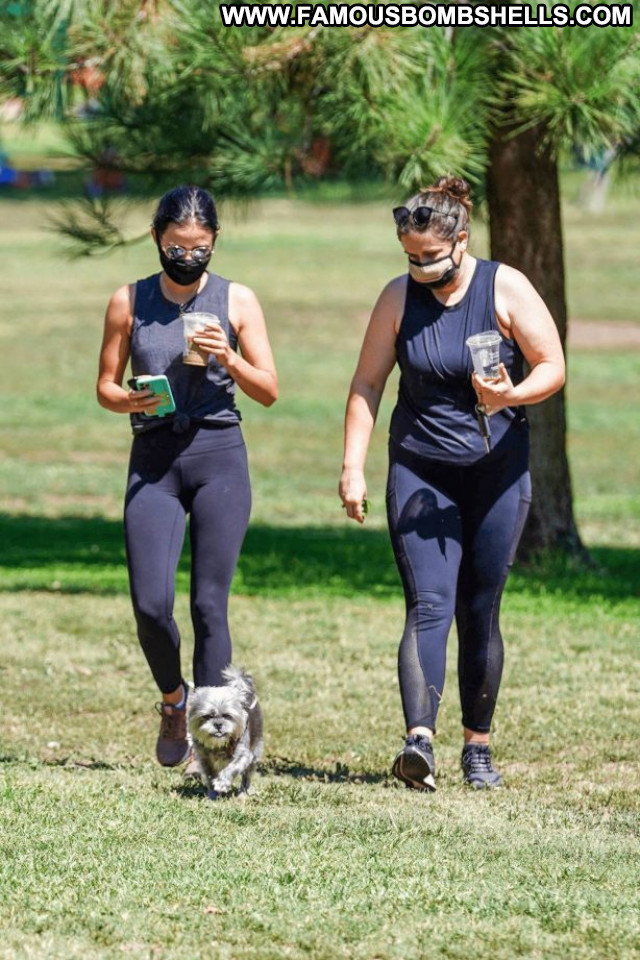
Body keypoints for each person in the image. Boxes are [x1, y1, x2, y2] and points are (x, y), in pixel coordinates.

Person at [339, 176, 565, 791]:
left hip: (496, 473)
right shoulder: (397, 298)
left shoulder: (505, 286)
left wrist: (511, 394)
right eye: (409, 258)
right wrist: (353, 466)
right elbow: (367, 385)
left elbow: (553, 366)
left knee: (480, 607)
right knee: (430, 602)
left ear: (461, 242)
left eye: (430, 258)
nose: (418, 268)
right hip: (420, 468)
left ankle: (478, 747)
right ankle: (419, 742)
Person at [97, 185, 277, 767]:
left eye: (200, 247)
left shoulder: (238, 300)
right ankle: (174, 701)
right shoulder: (128, 300)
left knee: (208, 605)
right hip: (154, 458)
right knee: (151, 604)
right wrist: (131, 401)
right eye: (177, 245)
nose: (188, 256)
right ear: (156, 238)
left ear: (214, 243)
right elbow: (105, 385)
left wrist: (228, 356)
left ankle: (215, 740)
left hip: (219, 454)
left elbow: (269, 391)